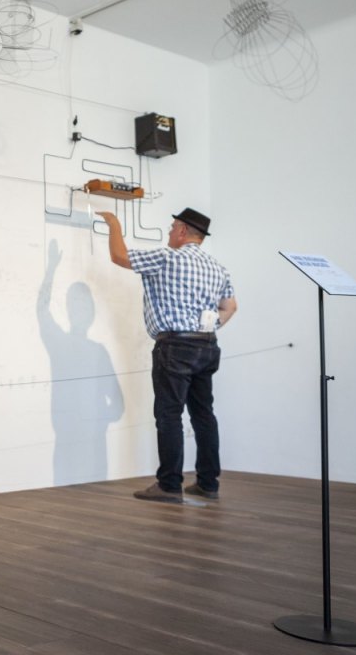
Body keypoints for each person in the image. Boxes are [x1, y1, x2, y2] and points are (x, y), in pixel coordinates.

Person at [97, 207, 237, 503]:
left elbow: (119, 256)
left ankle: (170, 484)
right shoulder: (217, 268)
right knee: (203, 414)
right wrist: (207, 328)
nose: (170, 232)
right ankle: (208, 483)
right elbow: (230, 307)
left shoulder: (167, 257)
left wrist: (113, 223)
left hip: (175, 346)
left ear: (183, 231)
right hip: (207, 345)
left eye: (173, 227)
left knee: (169, 414)